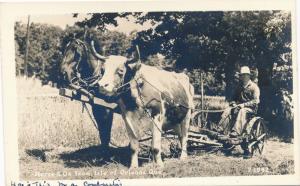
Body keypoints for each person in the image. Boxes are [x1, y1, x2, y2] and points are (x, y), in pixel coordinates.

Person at [217, 66, 260, 137]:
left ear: (248, 76)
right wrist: (233, 103)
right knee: (228, 109)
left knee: (242, 111)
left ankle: (236, 131)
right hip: (238, 107)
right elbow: (233, 98)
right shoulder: (239, 87)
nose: (243, 77)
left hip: (250, 109)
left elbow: (256, 101)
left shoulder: (254, 87)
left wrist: (244, 105)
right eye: (242, 75)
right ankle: (220, 128)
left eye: (245, 75)